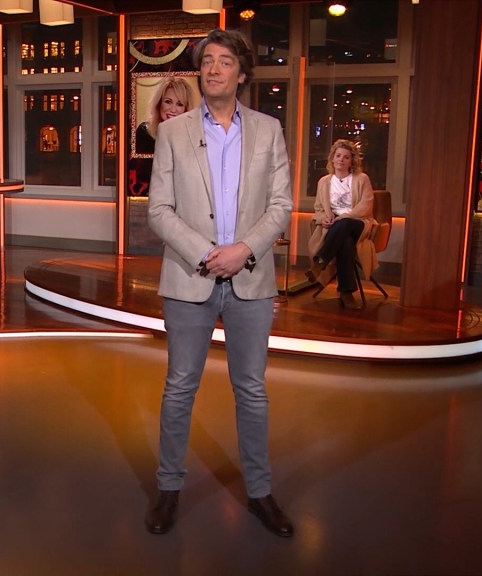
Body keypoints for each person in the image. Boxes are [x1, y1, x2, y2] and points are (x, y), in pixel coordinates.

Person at [145, 29, 294, 538]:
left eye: (224, 61)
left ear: (241, 73)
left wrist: (243, 250)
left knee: (251, 390)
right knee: (179, 386)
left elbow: (281, 205)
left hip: (251, 279)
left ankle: (260, 492)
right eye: (207, 60)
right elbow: (159, 210)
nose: (213, 68)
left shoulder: (269, 130)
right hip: (190, 278)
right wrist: (207, 254)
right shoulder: (173, 132)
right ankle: (168, 489)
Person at [305, 139, 377, 310]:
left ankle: (320, 261)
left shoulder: (361, 179)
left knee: (344, 224)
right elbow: (319, 209)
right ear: (332, 158)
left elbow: (366, 206)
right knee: (345, 242)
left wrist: (345, 217)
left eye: (346, 157)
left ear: (352, 161)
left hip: (357, 223)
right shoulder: (324, 182)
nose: (341, 160)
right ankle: (346, 292)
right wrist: (324, 219)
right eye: (338, 156)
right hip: (335, 227)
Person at [135, 76, 198, 155]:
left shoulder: (193, 138)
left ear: (186, 109)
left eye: (180, 104)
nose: (173, 110)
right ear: (159, 103)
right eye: (168, 102)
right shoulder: (144, 132)